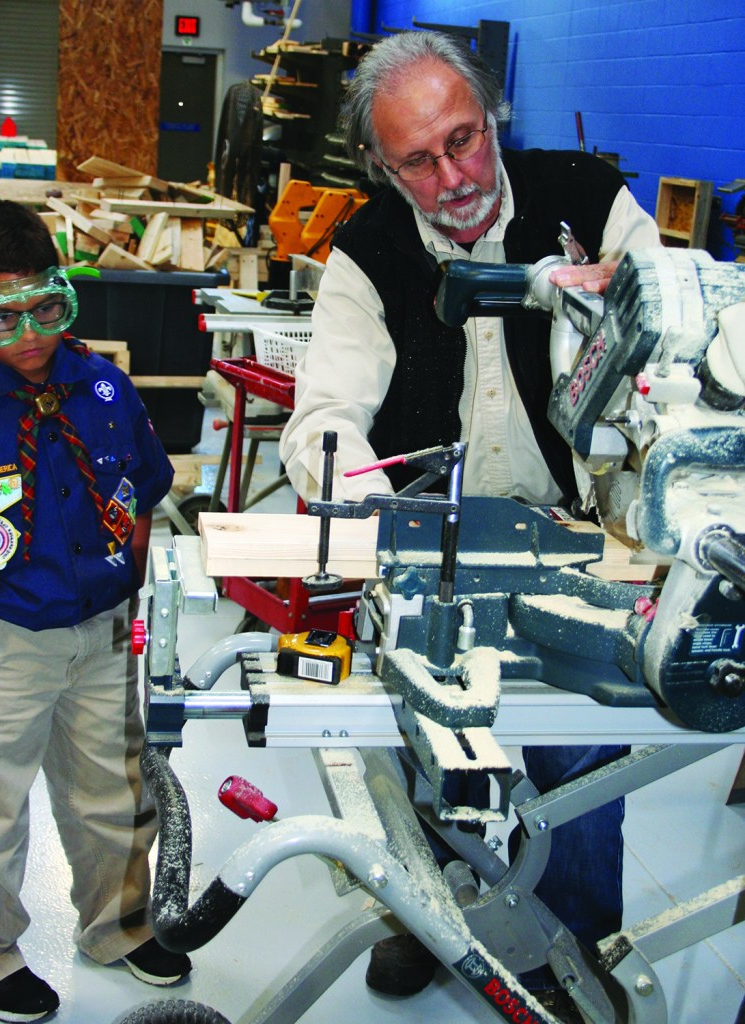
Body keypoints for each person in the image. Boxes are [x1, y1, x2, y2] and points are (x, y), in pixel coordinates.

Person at [279, 30, 661, 1022]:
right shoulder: (366, 252)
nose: (453, 177)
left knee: (579, 756)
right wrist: (353, 492)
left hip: (587, 537)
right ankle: (434, 920)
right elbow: (323, 414)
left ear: (494, 118)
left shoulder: (587, 197)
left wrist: (629, 329)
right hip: (436, 539)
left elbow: (676, 337)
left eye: (465, 140)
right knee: (435, 742)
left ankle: (574, 952)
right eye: (419, 159)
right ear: (381, 165)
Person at [0, 200, 189, 1023]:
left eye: (47, 307)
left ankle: (117, 925)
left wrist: (134, 551)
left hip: (104, 633)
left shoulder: (104, 386)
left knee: (113, 794)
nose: (29, 334)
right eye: (0, 317)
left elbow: (143, 479)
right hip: (0, 642)